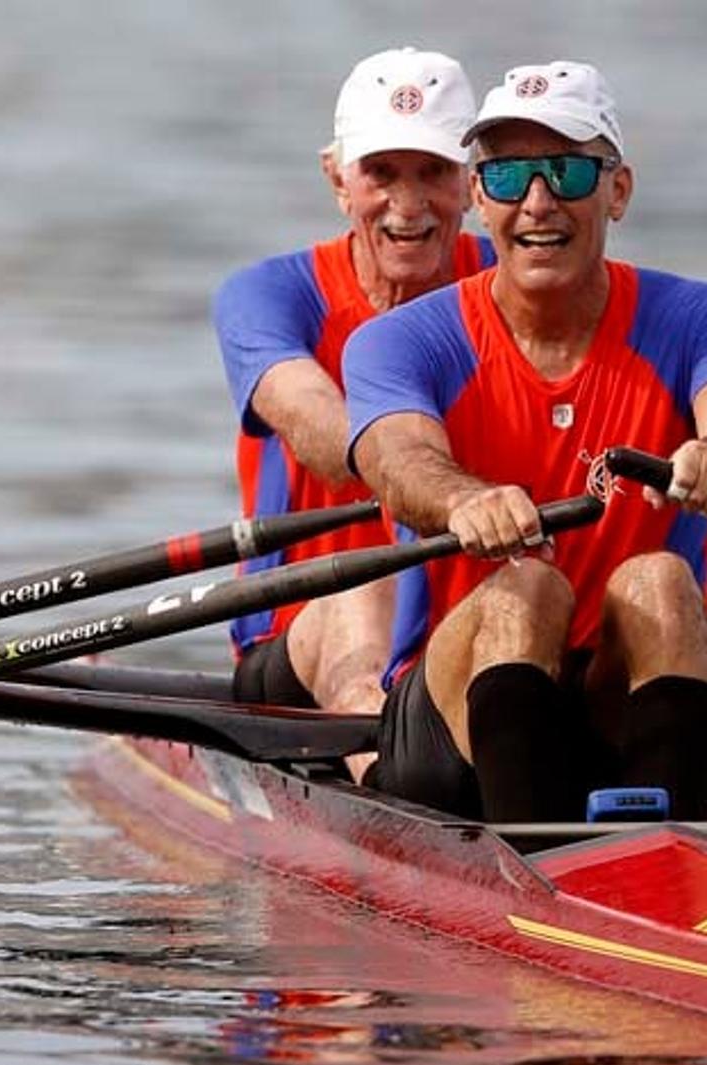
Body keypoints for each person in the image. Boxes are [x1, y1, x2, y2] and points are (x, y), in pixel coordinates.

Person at [343, 61, 707, 822]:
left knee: (660, 581)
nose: (538, 202)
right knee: (527, 584)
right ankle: (546, 869)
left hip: (614, 696)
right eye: (509, 177)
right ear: (480, 197)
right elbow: (398, 459)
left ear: (617, 189)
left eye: (567, 171)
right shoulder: (399, 341)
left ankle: (658, 862)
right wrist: (462, 500)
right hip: (451, 728)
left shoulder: (706, 317)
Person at [215, 47, 493, 741]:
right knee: (364, 598)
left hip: (469, 616)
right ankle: (394, 791)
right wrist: (424, 476)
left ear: (473, 184)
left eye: (433, 172)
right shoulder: (270, 297)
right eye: (381, 173)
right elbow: (317, 426)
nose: (408, 205)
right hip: (303, 625)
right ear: (338, 178)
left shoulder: (514, 288)